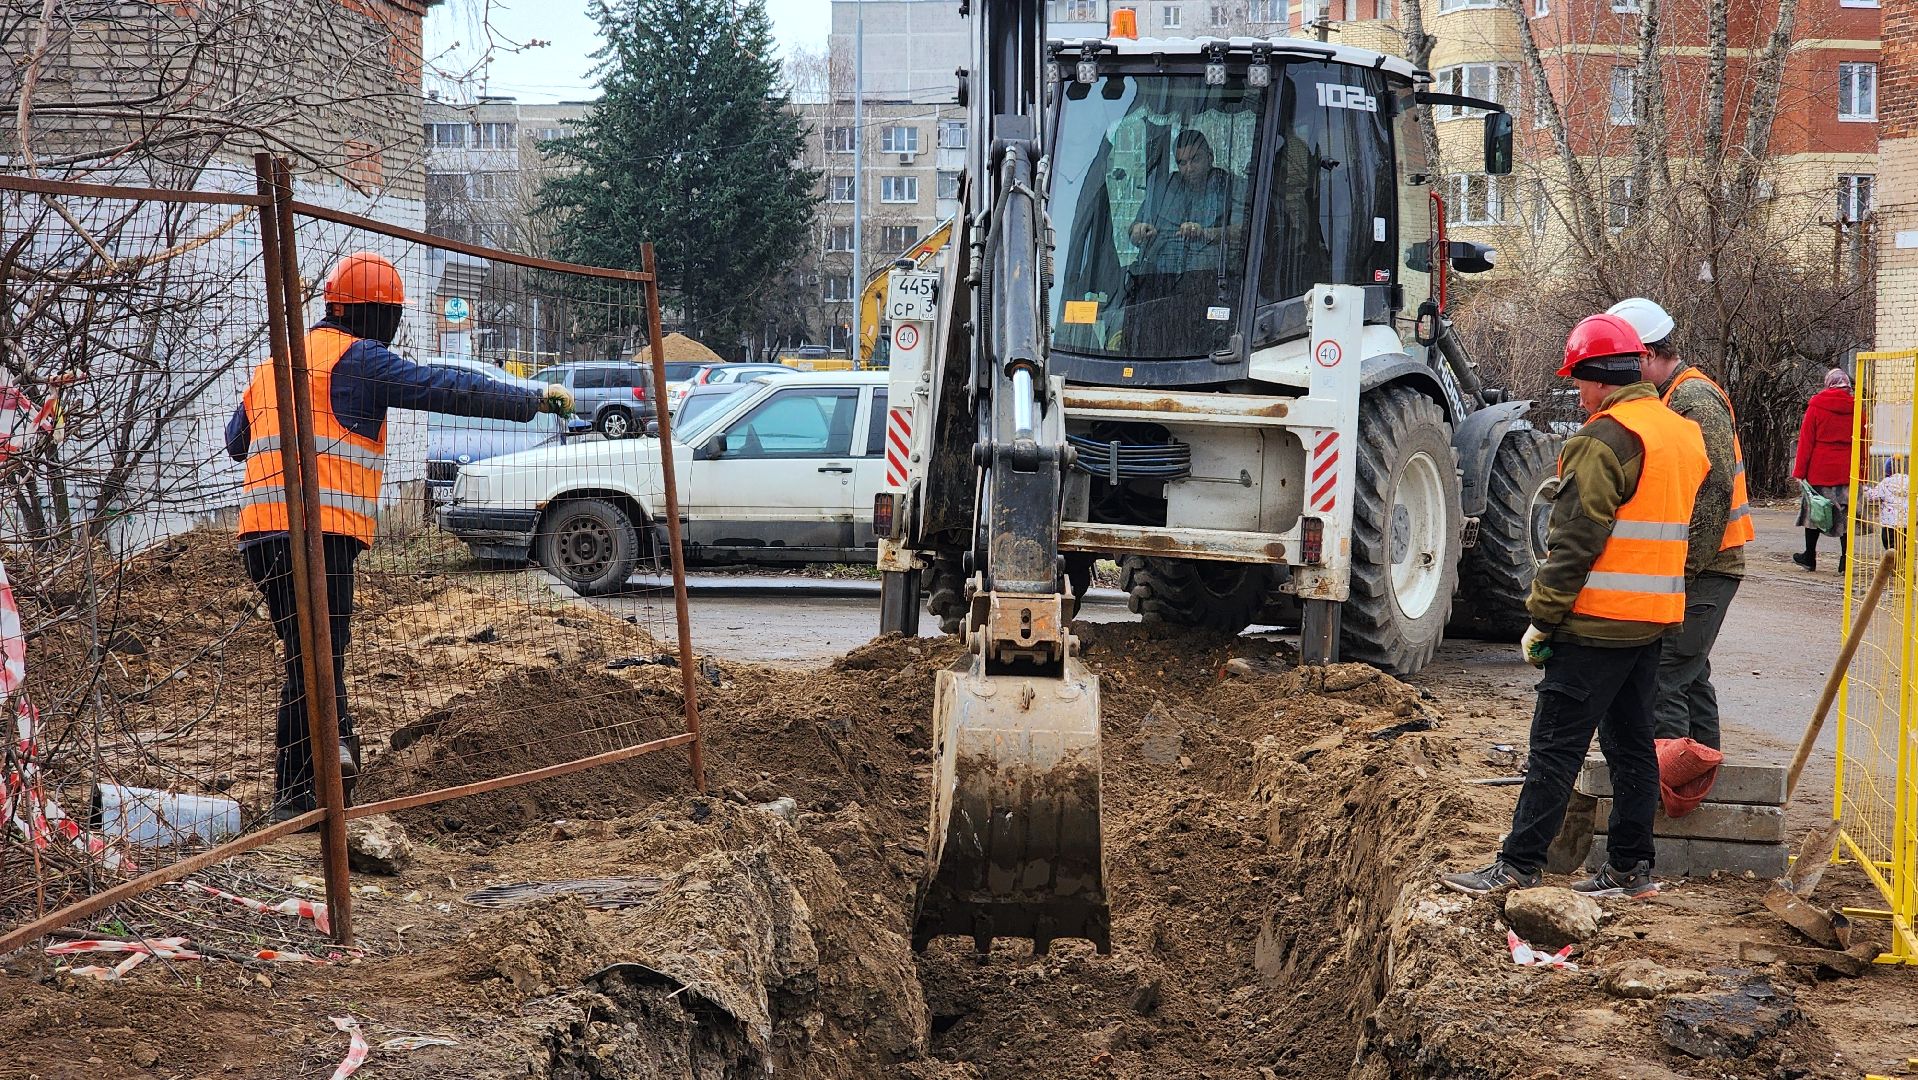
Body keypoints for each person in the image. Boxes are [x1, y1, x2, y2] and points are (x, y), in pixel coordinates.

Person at [226, 251, 574, 822]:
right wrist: (527, 399)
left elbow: (236, 439)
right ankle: (301, 796)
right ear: (371, 315)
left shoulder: (279, 362)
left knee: (312, 656)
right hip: (320, 537)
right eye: (391, 317)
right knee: (316, 660)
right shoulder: (358, 359)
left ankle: (332, 761)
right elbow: (447, 387)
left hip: (260, 539)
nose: (392, 331)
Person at [1442, 313, 1708, 899]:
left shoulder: (1603, 438)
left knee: (1555, 749)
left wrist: (1542, 617)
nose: (1579, 394)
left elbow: (1573, 544)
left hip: (1594, 625)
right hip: (1650, 622)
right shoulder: (1679, 432)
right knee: (1633, 747)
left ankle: (1517, 865)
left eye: (1579, 382)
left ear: (1598, 377)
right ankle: (1631, 870)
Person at [1606, 299, 1750, 750]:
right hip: (1700, 565)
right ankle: (1704, 780)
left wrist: (1679, 570)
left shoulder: (1693, 398)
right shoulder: (1672, 396)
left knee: (1666, 675)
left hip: (1707, 566)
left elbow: (1714, 489)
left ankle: (1667, 786)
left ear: (1647, 355)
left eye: (1625, 362)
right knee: (1690, 673)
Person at [1126, 130, 1241, 355]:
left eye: (1195, 159)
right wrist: (1138, 231)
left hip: (1210, 283)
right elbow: (1134, 229)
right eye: (1182, 162)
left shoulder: (1231, 185)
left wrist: (1206, 233)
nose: (1189, 168)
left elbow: (1243, 232)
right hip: (1162, 286)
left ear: (1210, 156)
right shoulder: (1166, 188)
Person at [1791, 368, 1856, 574]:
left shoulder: (1816, 406)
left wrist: (1799, 471)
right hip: (1847, 471)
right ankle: (1845, 560)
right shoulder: (1858, 408)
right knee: (1845, 516)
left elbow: (1806, 441)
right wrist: (1862, 470)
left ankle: (1809, 557)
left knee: (1815, 512)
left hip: (1820, 470)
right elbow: (1863, 441)